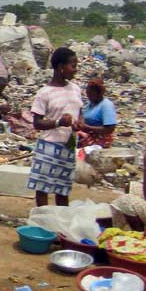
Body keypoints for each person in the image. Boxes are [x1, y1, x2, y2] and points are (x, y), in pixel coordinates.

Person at [27, 47, 83, 207]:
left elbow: (80, 110)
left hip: (68, 145)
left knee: (63, 190)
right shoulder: (45, 93)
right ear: (60, 67)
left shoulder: (75, 89)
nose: (75, 69)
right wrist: (59, 122)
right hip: (49, 147)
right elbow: (37, 123)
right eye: (73, 65)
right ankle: (43, 221)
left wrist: (80, 123)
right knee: (42, 188)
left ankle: (61, 221)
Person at [77, 78, 117, 148]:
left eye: (91, 95)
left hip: (100, 140)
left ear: (99, 93)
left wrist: (89, 128)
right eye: (88, 95)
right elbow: (83, 115)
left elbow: (110, 128)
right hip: (88, 136)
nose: (89, 97)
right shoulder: (90, 104)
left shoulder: (106, 105)